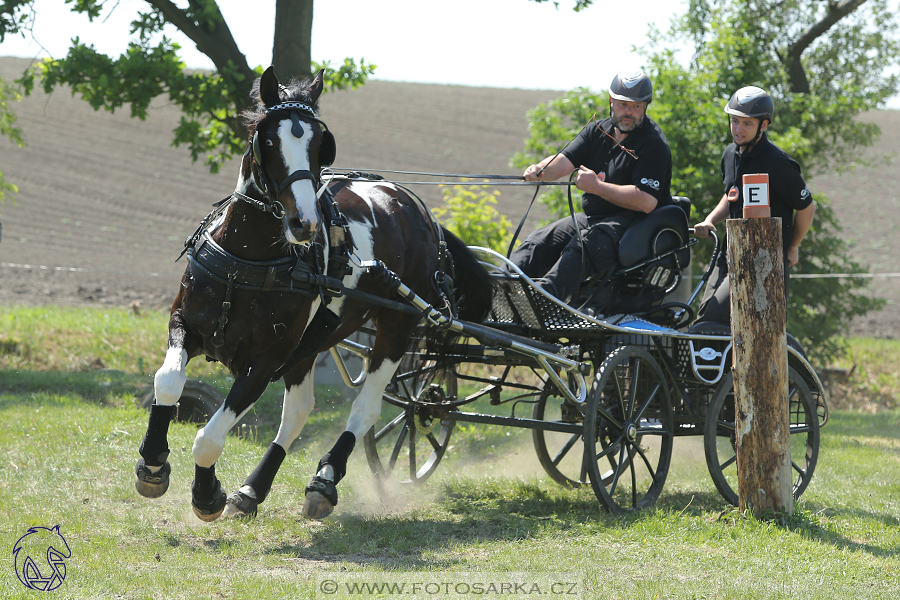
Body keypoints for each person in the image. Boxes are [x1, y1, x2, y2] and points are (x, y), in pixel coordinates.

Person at [510, 70, 673, 305]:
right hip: (593, 217)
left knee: (582, 246)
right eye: (623, 105)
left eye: (636, 107)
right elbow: (563, 161)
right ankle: (501, 285)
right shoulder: (597, 130)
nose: (629, 113)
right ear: (611, 102)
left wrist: (597, 187)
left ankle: (541, 301)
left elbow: (646, 201)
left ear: (645, 106)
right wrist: (540, 169)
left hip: (632, 225)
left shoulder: (653, 144)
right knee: (539, 241)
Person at [693, 86, 816, 326]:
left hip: (762, 260)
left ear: (764, 125)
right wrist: (710, 220)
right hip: (728, 253)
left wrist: (792, 246)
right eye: (735, 121)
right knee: (702, 322)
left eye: (747, 124)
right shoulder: (729, 154)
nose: (738, 129)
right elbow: (731, 195)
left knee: (716, 320)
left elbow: (807, 208)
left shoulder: (779, 164)